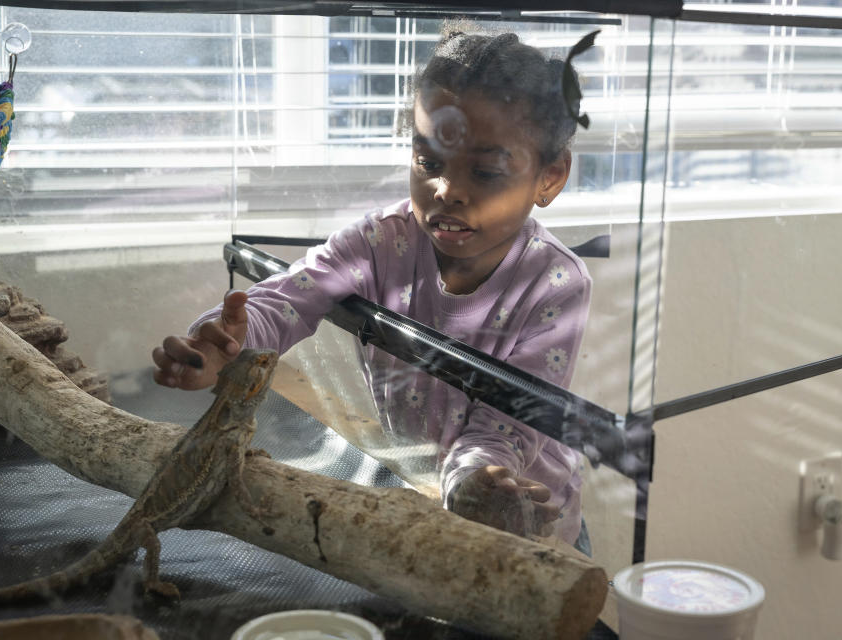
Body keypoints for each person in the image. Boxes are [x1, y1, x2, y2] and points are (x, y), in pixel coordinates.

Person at [152, 26, 593, 552]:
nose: (446, 191)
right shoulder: (383, 240)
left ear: (550, 177)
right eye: (429, 163)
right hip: (425, 488)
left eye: (486, 171)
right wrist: (226, 342)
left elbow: (506, 428)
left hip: (522, 517)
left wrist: (477, 485)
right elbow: (288, 300)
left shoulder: (556, 284)